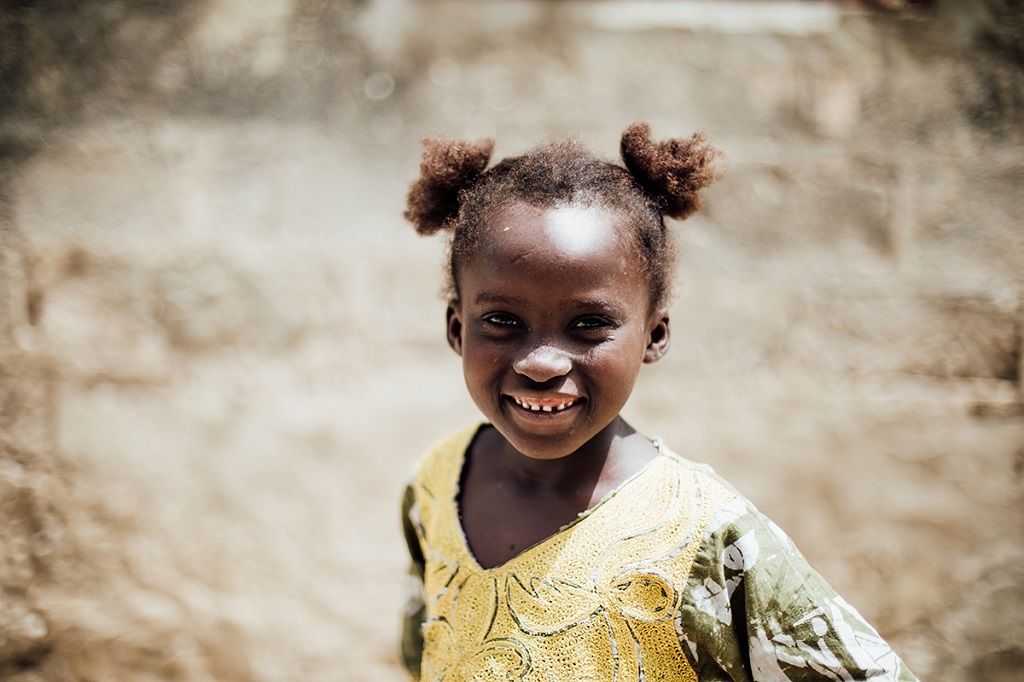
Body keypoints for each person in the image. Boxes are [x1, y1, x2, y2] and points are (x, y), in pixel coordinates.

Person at [399, 123, 919, 682]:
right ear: (457, 328)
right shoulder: (437, 482)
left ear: (654, 336)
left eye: (589, 324)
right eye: (502, 321)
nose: (541, 363)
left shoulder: (704, 536)